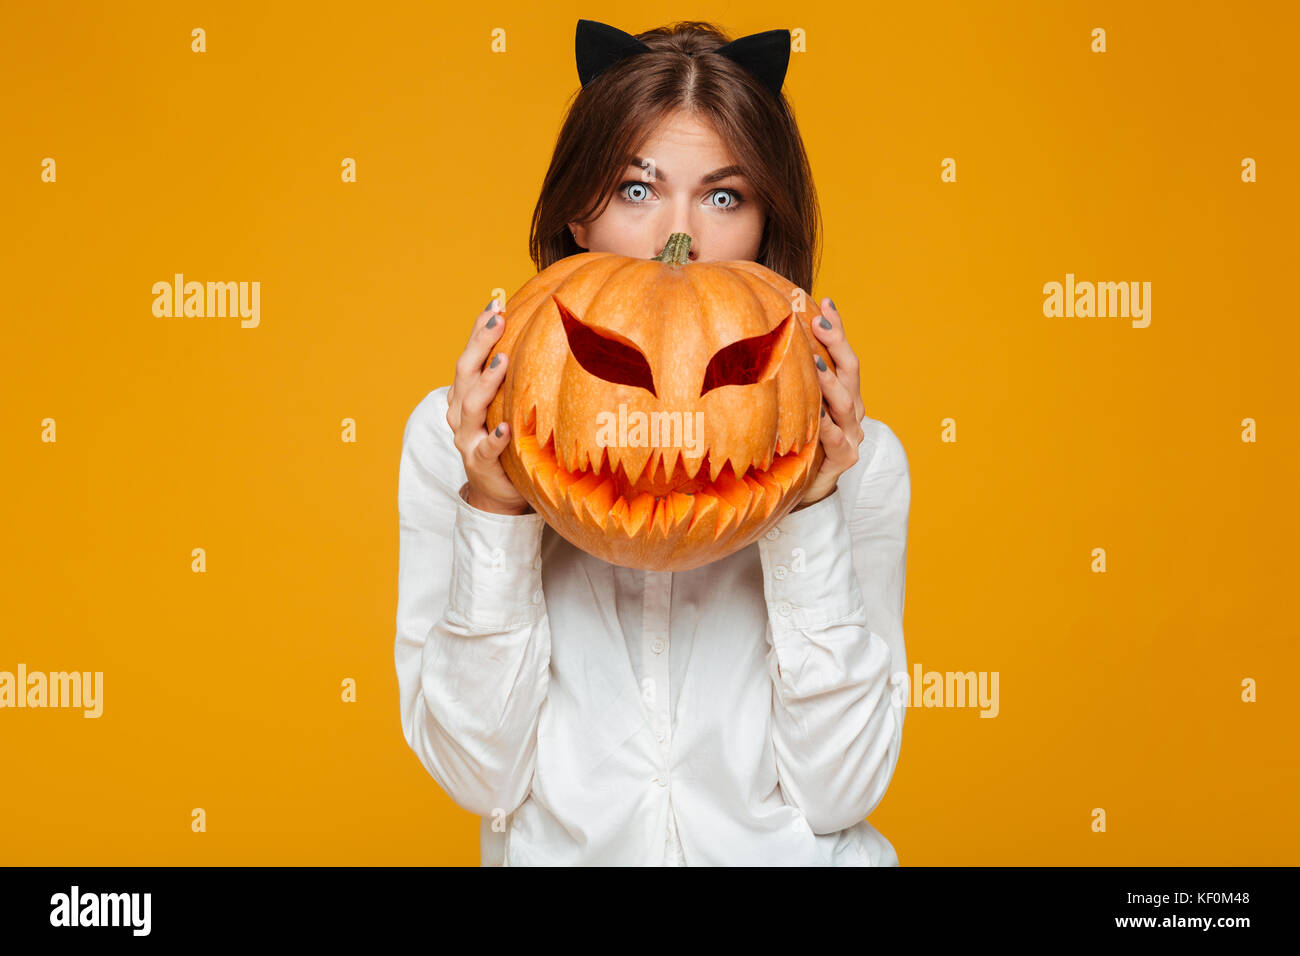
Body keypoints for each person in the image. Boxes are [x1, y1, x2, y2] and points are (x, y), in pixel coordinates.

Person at [394, 18, 911, 865]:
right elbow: (478, 779)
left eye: (723, 196)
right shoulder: (456, 440)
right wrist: (495, 509)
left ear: (764, 222)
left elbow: (841, 792)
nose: (683, 240)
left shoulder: (858, 460)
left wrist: (812, 504)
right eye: (638, 190)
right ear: (577, 215)